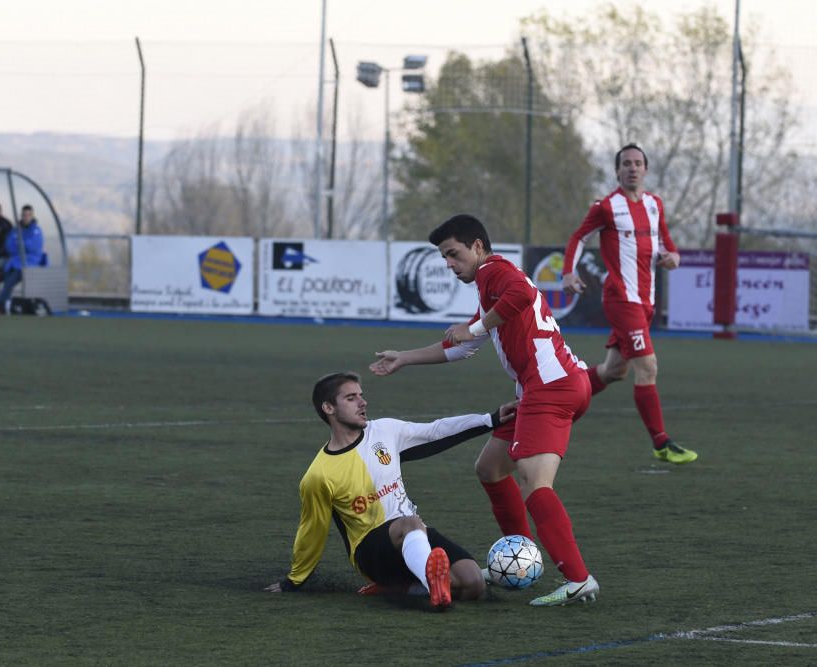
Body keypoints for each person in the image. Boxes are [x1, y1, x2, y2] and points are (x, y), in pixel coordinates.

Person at [369, 214, 599, 607]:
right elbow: (460, 346)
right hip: (553, 387)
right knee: (490, 468)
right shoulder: (490, 286)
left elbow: (520, 300)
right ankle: (521, 555)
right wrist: (404, 358)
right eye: (444, 257)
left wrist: (474, 329)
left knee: (535, 484)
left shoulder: (493, 271)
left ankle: (578, 578)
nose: (449, 263)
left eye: (453, 254)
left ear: (477, 246)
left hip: (551, 388)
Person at [266, 371, 516, 610]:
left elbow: (434, 431)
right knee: (409, 522)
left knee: (473, 583)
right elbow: (312, 529)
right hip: (370, 551)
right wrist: (295, 580)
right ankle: (427, 582)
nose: (362, 402)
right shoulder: (318, 475)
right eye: (351, 398)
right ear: (328, 408)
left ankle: (402, 588)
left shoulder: (385, 431)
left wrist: (490, 420)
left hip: (414, 535)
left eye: (361, 395)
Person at [561, 144, 696, 465]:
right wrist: (568, 272)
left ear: (646, 169)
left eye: (638, 163)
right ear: (617, 171)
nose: (633, 168)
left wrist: (673, 257)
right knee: (647, 367)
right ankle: (661, 443)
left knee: (613, 370)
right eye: (626, 164)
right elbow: (578, 238)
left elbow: (669, 245)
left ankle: (558, 402)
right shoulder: (606, 207)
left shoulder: (655, 205)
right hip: (621, 299)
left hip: (645, 302)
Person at [0, 205, 44, 311]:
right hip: (14, 262)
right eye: (24, 215)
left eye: (28, 215)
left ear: (32, 216)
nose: (26, 217)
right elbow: (9, 245)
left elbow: (33, 247)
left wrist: (20, 243)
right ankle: (1, 303)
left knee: (10, 280)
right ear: (21, 216)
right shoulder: (16, 230)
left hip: (29, 264)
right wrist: (21, 245)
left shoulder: (36, 231)